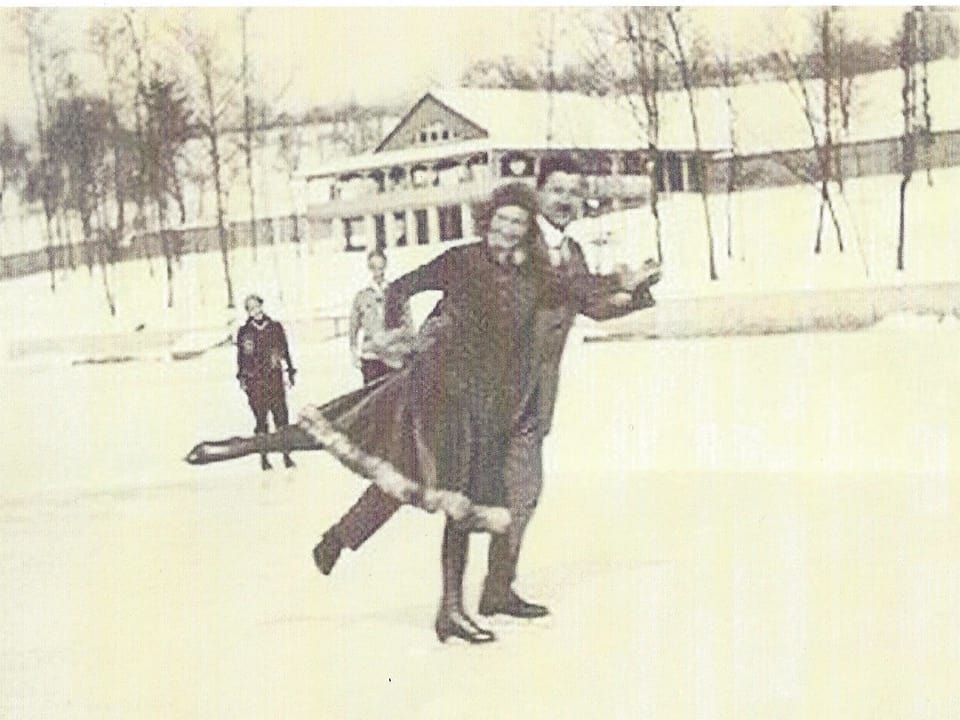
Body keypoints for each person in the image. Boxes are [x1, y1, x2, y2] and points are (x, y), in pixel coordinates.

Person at [187, 183, 644, 643]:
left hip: (479, 406)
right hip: (435, 385)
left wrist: (629, 283)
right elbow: (403, 287)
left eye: (517, 224)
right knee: (343, 426)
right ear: (488, 222)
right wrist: (394, 336)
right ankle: (239, 446)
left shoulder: (536, 276)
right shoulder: (462, 260)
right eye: (500, 220)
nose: (506, 230)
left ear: (527, 232)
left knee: (455, 501)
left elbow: (581, 291)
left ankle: (449, 609)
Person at [312, 154, 661, 623]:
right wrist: (415, 345)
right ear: (537, 193)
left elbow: (586, 303)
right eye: (558, 190)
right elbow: (451, 298)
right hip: (476, 389)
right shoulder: (512, 238)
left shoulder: (572, 253)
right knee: (417, 470)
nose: (566, 200)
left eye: (575, 193)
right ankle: (346, 537)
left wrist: (638, 294)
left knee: (523, 491)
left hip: (533, 396)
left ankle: (498, 589)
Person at [236, 294, 298, 471]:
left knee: (281, 417)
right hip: (255, 381)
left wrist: (290, 370)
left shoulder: (275, 327)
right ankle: (264, 457)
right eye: (251, 308)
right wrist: (241, 376)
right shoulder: (245, 332)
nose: (256, 311)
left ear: (262, 306)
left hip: (274, 378)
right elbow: (241, 357)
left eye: (257, 306)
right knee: (261, 420)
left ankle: (286, 455)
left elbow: (285, 349)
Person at [349, 249, 414, 385]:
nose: (377, 272)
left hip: (394, 357)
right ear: (369, 268)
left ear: (385, 266)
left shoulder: (397, 293)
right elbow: (353, 327)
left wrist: (391, 339)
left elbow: (408, 326)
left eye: (380, 267)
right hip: (371, 358)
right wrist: (354, 352)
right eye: (373, 267)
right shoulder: (362, 296)